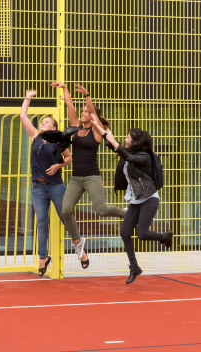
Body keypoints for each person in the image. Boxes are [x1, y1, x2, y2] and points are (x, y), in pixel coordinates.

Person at [51, 82, 126, 269]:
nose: (82, 112)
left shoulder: (97, 131)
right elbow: (69, 105)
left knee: (101, 211)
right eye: (82, 111)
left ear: (93, 116)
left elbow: (92, 111)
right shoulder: (76, 128)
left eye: (85, 111)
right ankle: (78, 243)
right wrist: (64, 88)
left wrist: (87, 95)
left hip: (92, 176)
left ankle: (127, 213)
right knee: (66, 210)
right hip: (76, 177)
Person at [91, 116, 172, 284]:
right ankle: (134, 267)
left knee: (142, 233)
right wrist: (97, 125)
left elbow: (126, 155)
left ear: (134, 143)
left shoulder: (144, 157)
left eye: (127, 137)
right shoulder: (130, 153)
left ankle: (164, 236)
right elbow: (111, 143)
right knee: (125, 232)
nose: (125, 139)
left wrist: (113, 140)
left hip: (149, 198)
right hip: (135, 200)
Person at [20, 89, 73, 276]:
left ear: (53, 127)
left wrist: (58, 166)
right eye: (42, 121)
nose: (42, 123)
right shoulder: (35, 135)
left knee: (66, 217)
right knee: (41, 222)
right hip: (38, 187)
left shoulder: (59, 141)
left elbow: (69, 158)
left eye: (46, 121)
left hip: (56, 186)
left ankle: (79, 246)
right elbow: (22, 115)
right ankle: (43, 257)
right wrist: (28, 97)